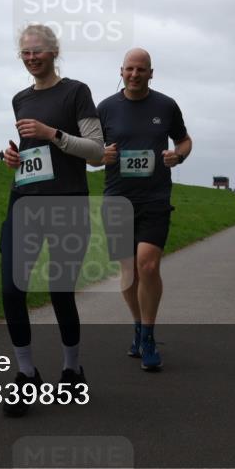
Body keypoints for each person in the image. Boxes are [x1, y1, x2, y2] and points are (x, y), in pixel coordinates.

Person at [0, 23, 104, 417]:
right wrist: (15, 158)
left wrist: (52, 133)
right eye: (25, 53)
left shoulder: (76, 92)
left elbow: (95, 151)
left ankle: (72, 368)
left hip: (67, 205)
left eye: (37, 51)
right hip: (24, 201)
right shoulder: (19, 99)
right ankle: (26, 375)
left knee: (61, 292)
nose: (31, 58)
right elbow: (33, 155)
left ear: (53, 52)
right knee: (12, 289)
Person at [91, 48, 191, 371]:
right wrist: (99, 155)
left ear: (151, 73)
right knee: (128, 272)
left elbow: (185, 140)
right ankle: (137, 325)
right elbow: (89, 151)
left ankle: (148, 336)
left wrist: (179, 154)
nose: (134, 74)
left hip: (155, 199)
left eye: (141, 69)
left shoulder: (166, 105)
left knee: (147, 266)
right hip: (117, 199)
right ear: (121, 71)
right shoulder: (105, 109)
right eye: (129, 69)